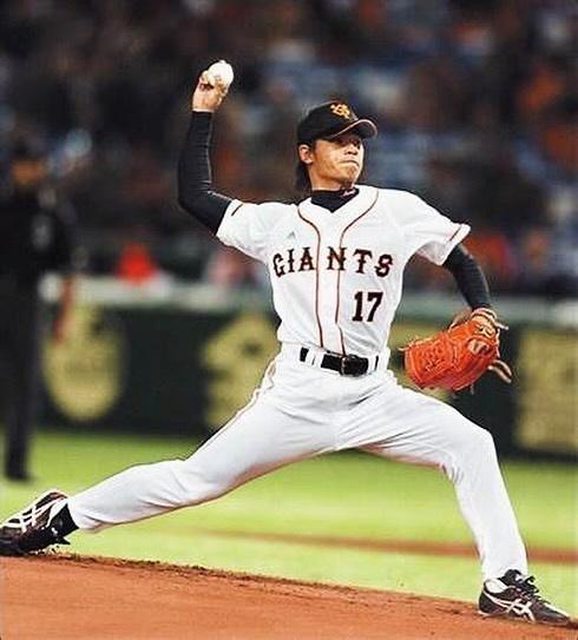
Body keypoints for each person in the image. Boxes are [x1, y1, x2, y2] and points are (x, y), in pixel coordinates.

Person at [0, 69, 569, 628]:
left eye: (358, 140)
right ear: (306, 153)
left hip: (375, 393)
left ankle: (505, 583)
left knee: (471, 444)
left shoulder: (397, 210)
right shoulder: (275, 224)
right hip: (298, 393)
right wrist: (203, 112)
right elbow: (193, 196)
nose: (352, 149)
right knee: (194, 480)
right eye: (338, 141)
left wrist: (482, 310)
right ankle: (59, 516)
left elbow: (460, 259)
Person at [0, 141, 79, 481]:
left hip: (27, 299)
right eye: (25, 164)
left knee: (24, 385)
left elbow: (68, 268)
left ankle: (16, 464)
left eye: (36, 164)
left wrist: (64, 316)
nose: (30, 171)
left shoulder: (51, 211)